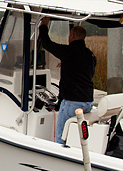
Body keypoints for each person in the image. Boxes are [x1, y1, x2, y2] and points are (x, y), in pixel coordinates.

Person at [38, 16, 97, 145]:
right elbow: (84, 71)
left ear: (72, 36)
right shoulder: (90, 55)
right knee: (74, 134)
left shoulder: (69, 51)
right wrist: (65, 62)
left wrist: (44, 25)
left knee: (61, 137)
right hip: (88, 102)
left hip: (72, 103)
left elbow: (47, 43)